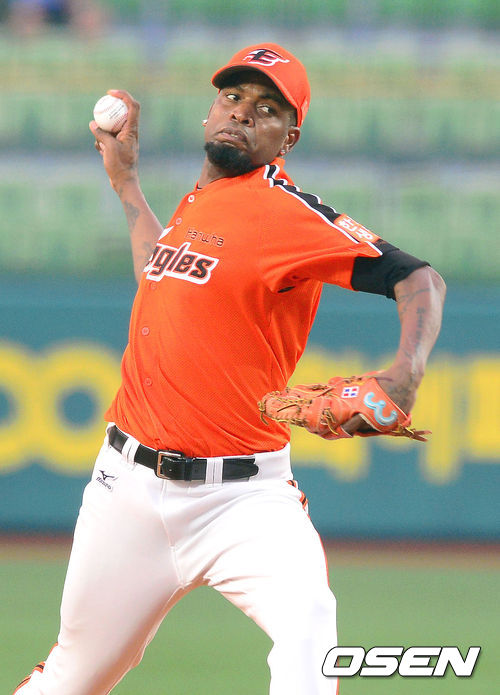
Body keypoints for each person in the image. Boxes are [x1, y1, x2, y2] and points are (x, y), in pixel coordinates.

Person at [13, 43, 446, 695]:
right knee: (73, 675)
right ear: (210, 110)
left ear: (288, 138)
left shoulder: (285, 213)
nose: (242, 112)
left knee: (310, 629)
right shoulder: (200, 201)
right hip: (126, 487)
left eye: (267, 108)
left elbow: (420, 280)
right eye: (233, 97)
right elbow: (161, 278)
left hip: (243, 499)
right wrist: (126, 184)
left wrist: (405, 372)